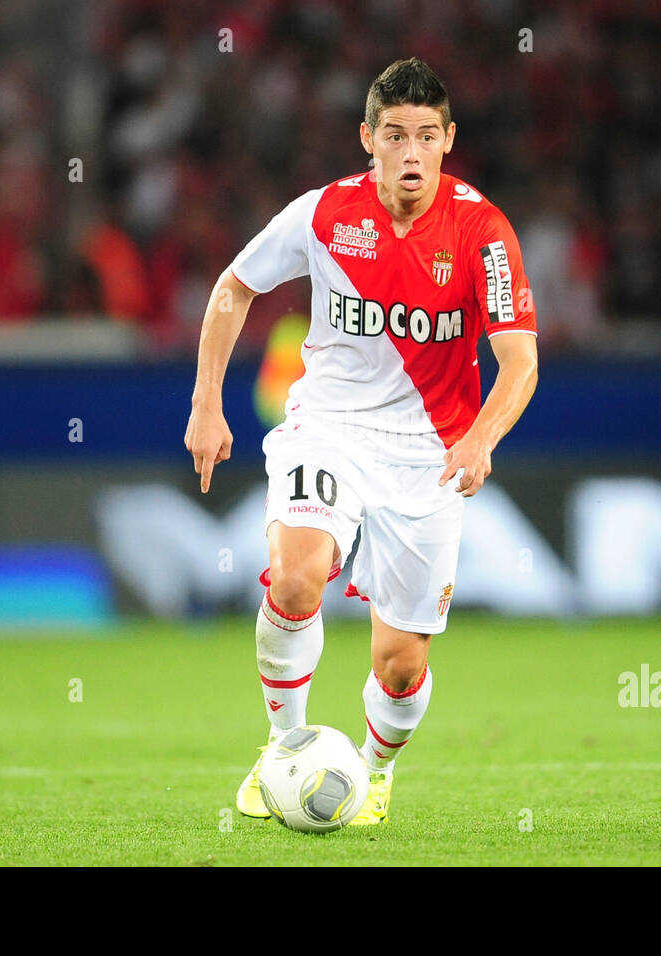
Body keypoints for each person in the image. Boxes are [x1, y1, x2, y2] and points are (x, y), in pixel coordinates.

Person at [184, 58, 538, 823]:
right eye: (393, 136)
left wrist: (482, 438)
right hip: (330, 428)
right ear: (367, 140)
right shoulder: (322, 215)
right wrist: (206, 401)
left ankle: (374, 771)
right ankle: (283, 747)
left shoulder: (483, 232)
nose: (410, 153)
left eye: (425, 136)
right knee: (296, 576)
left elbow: (520, 360)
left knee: (401, 664)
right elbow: (234, 286)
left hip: (432, 456)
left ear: (448, 140)